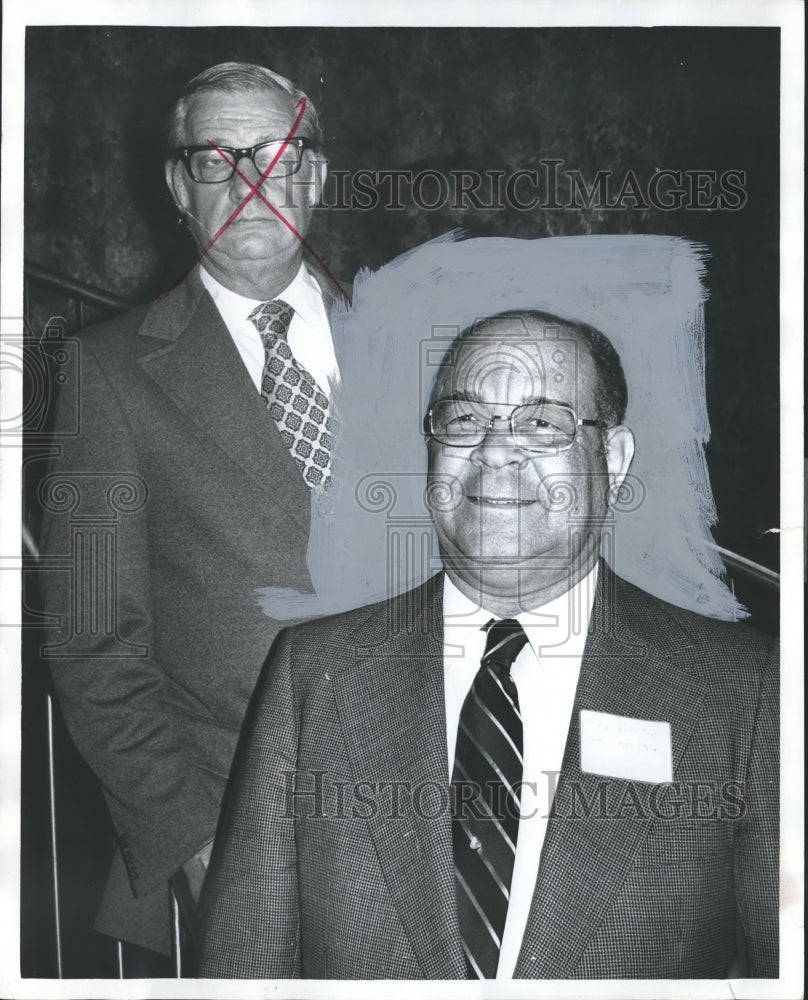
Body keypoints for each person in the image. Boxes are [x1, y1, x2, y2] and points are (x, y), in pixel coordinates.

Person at [198, 309, 778, 979]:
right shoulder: (315, 674)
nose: (496, 450)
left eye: (541, 423)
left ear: (612, 461)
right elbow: (244, 969)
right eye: (465, 421)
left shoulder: (743, 689)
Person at [38, 61, 349, 961]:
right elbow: (92, 641)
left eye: (278, 153)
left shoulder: (411, 337)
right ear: (179, 186)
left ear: (315, 176)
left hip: (430, 828)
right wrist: (195, 842)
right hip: (238, 845)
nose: (250, 180)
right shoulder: (107, 371)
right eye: (214, 158)